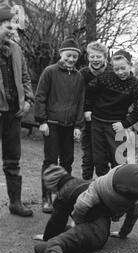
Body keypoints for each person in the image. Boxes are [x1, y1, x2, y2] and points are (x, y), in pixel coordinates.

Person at [34, 36, 85, 213]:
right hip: (52, 124)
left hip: (69, 125)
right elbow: (40, 96)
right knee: (50, 161)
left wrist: (78, 126)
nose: (71, 59)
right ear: (61, 54)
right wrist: (42, 120)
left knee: (67, 161)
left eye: (75, 57)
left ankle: (62, 197)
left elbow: (80, 102)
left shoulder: (79, 77)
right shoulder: (50, 71)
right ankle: (46, 197)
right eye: (68, 55)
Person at [85, 49, 138, 177]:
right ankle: (103, 190)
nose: (120, 72)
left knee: (119, 160)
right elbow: (88, 92)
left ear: (130, 65)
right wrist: (87, 109)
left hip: (117, 126)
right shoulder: (105, 78)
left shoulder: (136, 85)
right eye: (116, 69)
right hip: (97, 123)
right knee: (99, 160)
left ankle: (118, 189)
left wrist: (125, 123)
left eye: (123, 68)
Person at [0, 4, 35, 217]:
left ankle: (15, 202)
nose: (13, 29)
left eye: (14, 25)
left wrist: (28, 100)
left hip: (13, 114)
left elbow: (25, 77)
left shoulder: (16, 48)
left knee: (13, 159)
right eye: (7, 24)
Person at [79, 41, 109, 180]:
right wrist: (85, 110)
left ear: (105, 57)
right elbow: (78, 96)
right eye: (92, 56)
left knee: (105, 156)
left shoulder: (112, 73)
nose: (95, 60)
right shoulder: (83, 74)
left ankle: (106, 186)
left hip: (108, 120)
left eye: (98, 57)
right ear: (88, 57)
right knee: (88, 156)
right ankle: (86, 185)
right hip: (89, 120)